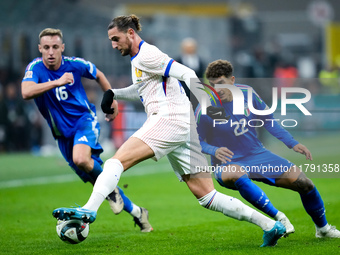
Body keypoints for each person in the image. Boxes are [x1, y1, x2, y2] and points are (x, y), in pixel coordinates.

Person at [52, 15, 286, 247]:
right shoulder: (138, 59)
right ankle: (270, 225)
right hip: (183, 126)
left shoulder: (148, 54)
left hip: (168, 119)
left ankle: (88, 211)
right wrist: (114, 93)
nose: (113, 45)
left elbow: (187, 74)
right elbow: (142, 89)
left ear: (131, 33)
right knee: (207, 196)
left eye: (116, 39)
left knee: (116, 162)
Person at [21, 28, 153, 232]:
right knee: (98, 181)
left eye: (55, 47)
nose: (50, 52)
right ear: (40, 48)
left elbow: (98, 74)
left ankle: (115, 196)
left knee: (81, 159)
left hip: (84, 121)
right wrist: (57, 82)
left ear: (62, 48)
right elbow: (26, 92)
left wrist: (112, 100)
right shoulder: (35, 68)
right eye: (46, 47)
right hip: (62, 135)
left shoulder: (74, 64)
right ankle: (138, 213)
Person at [196, 59, 340, 238]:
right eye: (213, 85)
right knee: (237, 174)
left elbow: (269, 121)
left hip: (257, 154)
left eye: (221, 84)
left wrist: (292, 142)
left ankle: (323, 229)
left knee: (305, 184)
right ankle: (279, 218)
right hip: (227, 163)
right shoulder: (206, 107)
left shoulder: (248, 94)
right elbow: (196, 141)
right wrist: (213, 150)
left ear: (232, 80)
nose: (217, 90)